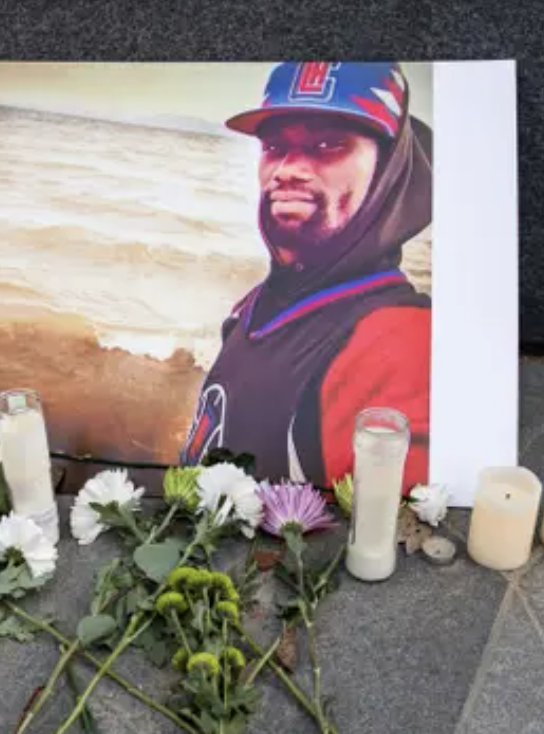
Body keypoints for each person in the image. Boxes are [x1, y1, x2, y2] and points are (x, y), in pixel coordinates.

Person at [180, 62, 433, 491]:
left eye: (328, 144)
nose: (287, 170)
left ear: (389, 170)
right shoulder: (260, 302)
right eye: (275, 148)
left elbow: (381, 532)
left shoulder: (398, 341)